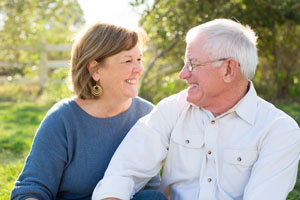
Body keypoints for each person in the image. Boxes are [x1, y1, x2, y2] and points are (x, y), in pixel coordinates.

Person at [92, 19, 300, 200]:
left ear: (228, 69)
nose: (183, 74)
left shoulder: (279, 130)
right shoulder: (172, 109)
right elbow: (123, 172)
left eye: (192, 64)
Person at [10, 22, 166, 200]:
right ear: (95, 70)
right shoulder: (63, 119)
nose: (139, 69)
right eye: (128, 61)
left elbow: (151, 185)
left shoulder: (147, 114)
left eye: (139, 59)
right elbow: (32, 188)